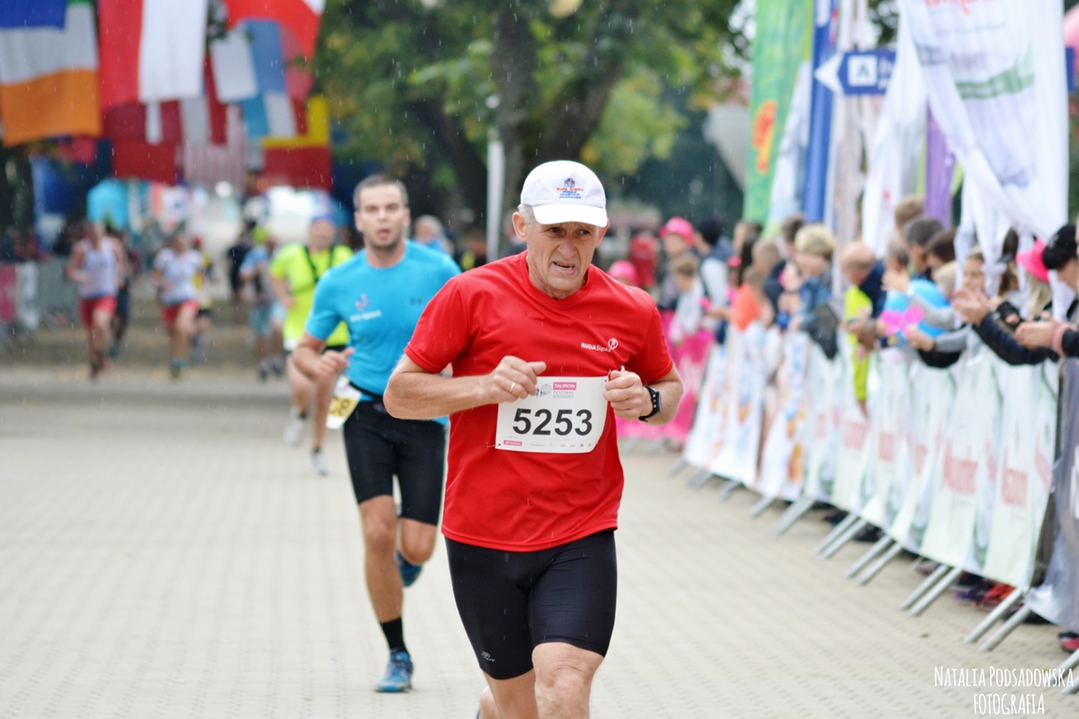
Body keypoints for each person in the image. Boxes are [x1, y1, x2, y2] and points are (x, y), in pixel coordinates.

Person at [383, 160, 683, 719]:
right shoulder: (470, 294)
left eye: (583, 233)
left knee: (565, 687)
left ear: (601, 233)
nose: (569, 248)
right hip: (483, 533)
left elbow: (670, 388)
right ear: (522, 226)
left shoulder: (632, 308)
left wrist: (647, 401)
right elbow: (400, 394)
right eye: (554, 231)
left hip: (580, 529)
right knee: (521, 707)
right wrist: (483, 387)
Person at [291, 175, 459, 692]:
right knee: (377, 533)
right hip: (365, 409)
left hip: (425, 412)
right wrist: (318, 365)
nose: (383, 217)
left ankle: (405, 560)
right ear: (359, 219)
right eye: (372, 209)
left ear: (405, 215)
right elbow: (304, 350)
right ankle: (397, 654)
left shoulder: (440, 270)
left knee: (420, 546)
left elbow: (474, 335)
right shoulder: (338, 281)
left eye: (391, 208)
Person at [270, 216, 354, 474]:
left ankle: (317, 450)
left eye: (327, 230)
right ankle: (299, 413)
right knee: (301, 386)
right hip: (299, 333)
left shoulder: (343, 255)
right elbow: (275, 275)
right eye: (318, 230)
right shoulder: (291, 253)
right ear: (309, 231)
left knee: (323, 398)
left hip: (335, 336)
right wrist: (283, 297)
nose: (322, 234)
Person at [66, 221, 128, 379]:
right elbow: (70, 271)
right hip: (87, 296)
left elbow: (122, 266)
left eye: (98, 233)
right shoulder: (81, 249)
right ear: (88, 234)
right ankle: (94, 362)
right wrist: (80, 276)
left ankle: (102, 354)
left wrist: (119, 278)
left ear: (103, 233)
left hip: (106, 294)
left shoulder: (113, 246)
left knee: (100, 324)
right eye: (92, 234)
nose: (95, 237)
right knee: (89, 335)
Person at [152, 229, 204, 379]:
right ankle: (175, 360)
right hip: (169, 299)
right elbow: (155, 276)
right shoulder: (165, 257)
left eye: (183, 242)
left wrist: (200, 292)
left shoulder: (194, 258)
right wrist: (161, 284)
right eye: (177, 242)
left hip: (187, 298)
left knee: (181, 327)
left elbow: (201, 276)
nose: (180, 245)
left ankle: (182, 358)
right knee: (172, 333)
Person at [240, 230, 281, 382]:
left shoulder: (282, 256)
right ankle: (263, 362)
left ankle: (276, 358)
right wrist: (257, 270)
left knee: (277, 326)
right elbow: (243, 274)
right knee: (261, 333)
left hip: (276, 299)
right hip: (259, 299)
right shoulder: (256, 255)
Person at [110, 230, 142, 361]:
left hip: (125, 290)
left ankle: (117, 341)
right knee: (113, 317)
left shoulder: (132, 254)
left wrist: (132, 279)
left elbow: (137, 272)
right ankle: (112, 341)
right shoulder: (109, 252)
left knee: (123, 317)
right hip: (110, 290)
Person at [657, 216, 695, 310]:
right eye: (667, 238)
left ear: (686, 242)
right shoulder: (671, 262)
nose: (669, 242)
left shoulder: (689, 265)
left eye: (674, 239)